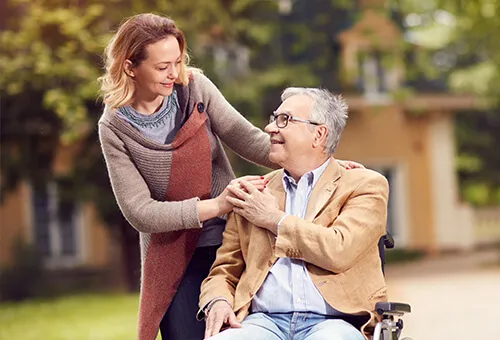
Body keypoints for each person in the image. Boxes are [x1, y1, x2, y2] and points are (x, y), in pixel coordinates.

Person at [97, 13, 361, 340]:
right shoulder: (114, 127)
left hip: (230, 239)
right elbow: (140, 211)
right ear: (129, 67)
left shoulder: (193, 89)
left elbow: (247, 137)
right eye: (162, 67)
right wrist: (218, 205)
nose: (174, 74)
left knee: (238, 326)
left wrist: (323, 164)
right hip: (175, 252)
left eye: (178, 62)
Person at [198, 87, 389, 340]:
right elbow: (224, 270)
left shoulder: (364, 185)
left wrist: (273, 219)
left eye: (284, 120)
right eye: (273, 118)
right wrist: (218, 300)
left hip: (334, 323)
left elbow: (338, 249)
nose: (270, 128)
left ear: (319, 134)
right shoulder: (252, 191)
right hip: (262, 322)